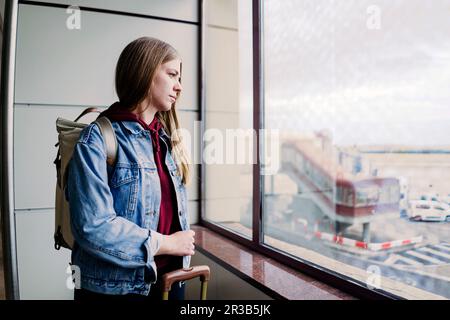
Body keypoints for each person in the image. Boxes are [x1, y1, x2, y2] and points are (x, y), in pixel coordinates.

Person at [66, 37, 195, 301]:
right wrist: (168, 243)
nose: (179, 86)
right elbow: (93, 226)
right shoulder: (98, 138)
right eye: (172, 74)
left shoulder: (167, 139)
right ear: (146, 72)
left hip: (171, 284)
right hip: (117, 290)